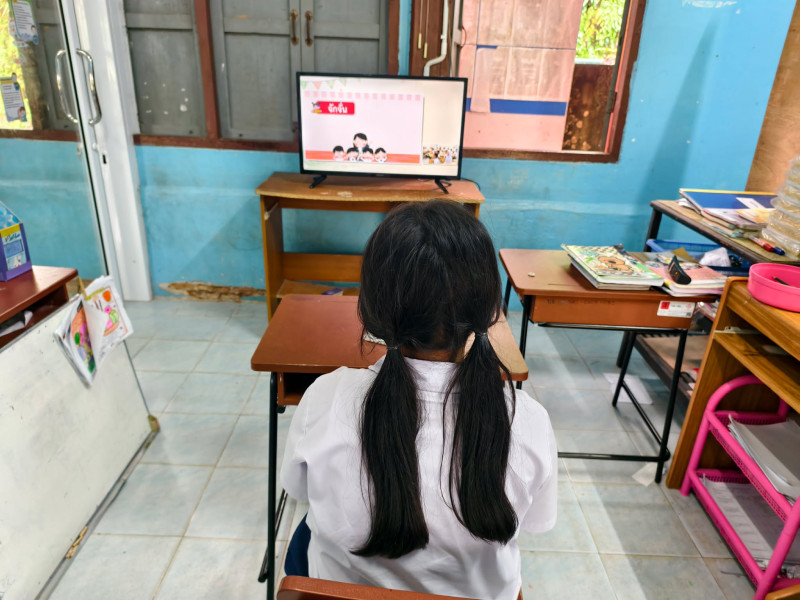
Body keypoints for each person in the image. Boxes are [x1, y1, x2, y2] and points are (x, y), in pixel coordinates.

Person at [281, 200, 557, 600]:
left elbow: (298, 490)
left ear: (373, 307)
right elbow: (536, 521)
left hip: (341, 593)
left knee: (306, 532)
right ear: (487, 308)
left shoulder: (325, 397)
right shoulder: (527, 420)